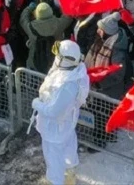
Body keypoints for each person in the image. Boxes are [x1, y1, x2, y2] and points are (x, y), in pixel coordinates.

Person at [32, 39, 91, 185]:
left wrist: (37, 104)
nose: (56, 58)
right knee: (69, 148)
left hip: (54, 129)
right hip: (65, 125)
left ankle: (55, 181)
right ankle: (70, 173)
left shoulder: (68, 86)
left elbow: (53, 111)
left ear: (65, 60)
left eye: (58, 56)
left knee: (54, 160)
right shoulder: (74, 73)